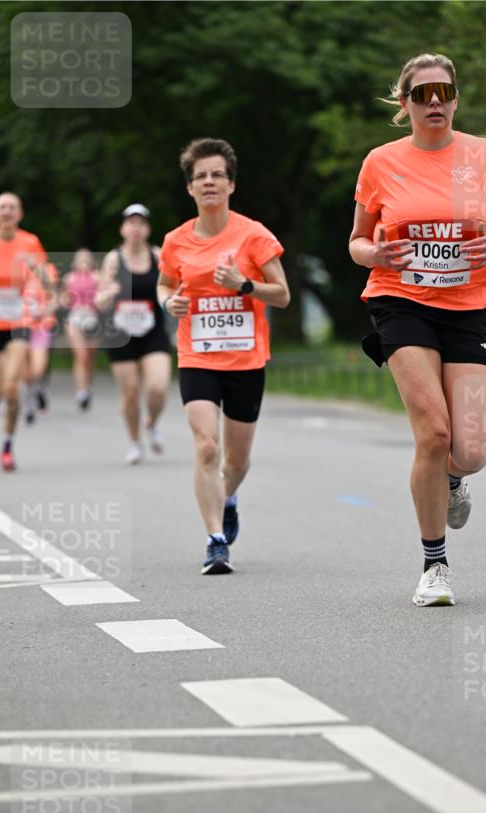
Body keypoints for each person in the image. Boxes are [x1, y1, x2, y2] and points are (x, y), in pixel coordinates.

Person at [349, 53, 486, 606]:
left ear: (455, 99)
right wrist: (377, 251)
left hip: (470, 305)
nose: (434, 103)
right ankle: (434, 565)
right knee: (433, 432)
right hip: (401, 301)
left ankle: (453, 480)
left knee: (469, 449)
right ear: (403, 104)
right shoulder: (380, 162)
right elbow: (356, 244)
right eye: (422, 93)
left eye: (443, 92)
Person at [157, 138, 290, 575]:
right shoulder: (176, 241)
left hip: (246, 360)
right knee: (206, 445)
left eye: (217, 175)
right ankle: (216, 541)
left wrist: (243, 285)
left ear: (231, 184)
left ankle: (228, 497)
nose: (209, 182)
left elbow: (283, 295)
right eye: (200, 177)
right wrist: (168, 302)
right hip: (197, 355)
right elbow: (164, 284)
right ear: (190, 189)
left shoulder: (254, 235)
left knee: (235, 460)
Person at [96, 205, 171, 463]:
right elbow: (101, 298)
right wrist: (107, 294)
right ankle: (135, 442)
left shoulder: (158, 256)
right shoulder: (113, 259)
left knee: (158, 387)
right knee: (130, 392)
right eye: (131, 223)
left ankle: (152, 422)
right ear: (123, 229)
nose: (135, 228)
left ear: (148, 229)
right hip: (121, 333)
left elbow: (169, 289)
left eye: (141, 223)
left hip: (152, 331)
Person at [0, 192, 49, 470]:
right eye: (1, 207)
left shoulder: (30, 242)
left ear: (19, 213)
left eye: (12, 207)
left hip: (19, 323)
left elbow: (48, 279)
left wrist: (37, 271)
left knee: (12, 388)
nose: (7, 211)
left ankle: (7, 445)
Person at [61, 248, 100, 410]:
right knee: (81, 355)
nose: (83, 262)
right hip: (75, 318)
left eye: (86, 259)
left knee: (90, 356)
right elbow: (64, 299)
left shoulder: (97, 277)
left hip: (93, 318)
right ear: (74, 262)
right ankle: (81, 391)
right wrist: (63, 300)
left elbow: (104, 297)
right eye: (80, 259)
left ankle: (87, 383)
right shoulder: (69, 278)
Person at [23, 260, 60, 424]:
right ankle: (30, 402)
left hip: (42, 326)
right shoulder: (10, 268)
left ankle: (39, 390)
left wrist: (44, 311)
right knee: (25, 368)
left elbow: (55, 296)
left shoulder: (47, 269)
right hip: (19, 326)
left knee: (39, 367)